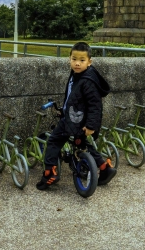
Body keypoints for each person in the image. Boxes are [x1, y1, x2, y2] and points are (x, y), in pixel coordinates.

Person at [36, 42, 116, 190]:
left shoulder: (87, 81)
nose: (77, 63)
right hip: (78, 118)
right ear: (69, 59)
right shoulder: (79, 74)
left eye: (82, 60)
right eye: (74, 59)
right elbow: (74, 97)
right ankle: (104, 167)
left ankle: (50, 173)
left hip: (75, 121)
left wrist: (91, 125)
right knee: (83, 144)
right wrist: (64, 109)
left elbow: (95, 105)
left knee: (53, 141)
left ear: (89, 62)